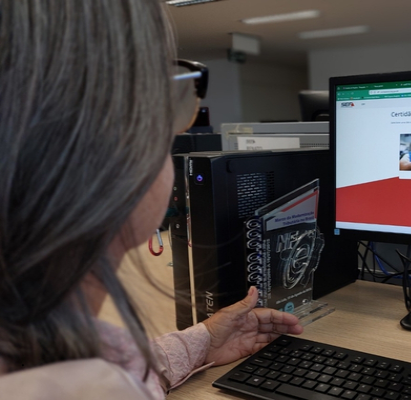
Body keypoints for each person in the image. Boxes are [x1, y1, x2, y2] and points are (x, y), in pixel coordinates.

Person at [0, 1, 302, 399]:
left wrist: (203, 341)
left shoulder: (56, 347)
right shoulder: (85, 390)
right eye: (161, 94)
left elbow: (123, 364)